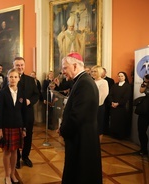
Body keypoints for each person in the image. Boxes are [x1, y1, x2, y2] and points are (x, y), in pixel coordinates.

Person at [59, 52, 102, 184]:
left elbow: (77, 116)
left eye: (65, 67)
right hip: (81, 136)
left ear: (75, 65)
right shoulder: (82, 81)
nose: (63, 71)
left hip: (82, 139)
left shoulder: (85, 84)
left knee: (81, 175)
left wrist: (63, 130)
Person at [2, 57, 39, 168]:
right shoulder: (8, 79)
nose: (20, 67)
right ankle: (16, 158)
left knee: (28, 136)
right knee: (15, 137)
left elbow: (36, 95)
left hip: (27, 113)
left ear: (24, 65)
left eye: (22, 65)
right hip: (14, 115)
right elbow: (4, 94)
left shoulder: (31, 80)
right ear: (14, 66)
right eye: (17, 65)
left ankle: (25, 156)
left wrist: (30, 101)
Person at [0, 68, 26, 184]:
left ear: (19, 78)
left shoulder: (22, 92)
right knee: (7, 152)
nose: (13, 79)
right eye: (10, 77)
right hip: (6, 126)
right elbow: (0, 111)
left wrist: (24, 128)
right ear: (7, 78)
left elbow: (23, 111)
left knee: (15, 152)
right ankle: (7, 175)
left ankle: (13, 174)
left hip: (18, 125)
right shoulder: (3, 92)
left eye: (15, 77)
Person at [109, 71, 132, 139]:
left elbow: (126, 97)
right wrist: (112, 102)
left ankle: (121, 136)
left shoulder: (127, 86)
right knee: (114, 121)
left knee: (121, 122)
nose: (120, 77)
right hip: (113, 107)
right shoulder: (115, 85)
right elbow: (110, 95)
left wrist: (118, 103)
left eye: (122, 76)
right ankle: (114, 135)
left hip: (122, 107)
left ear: (125, 77)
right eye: (119, 76)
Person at [91, 65, 109, 142]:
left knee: (98, 127)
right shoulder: (92, 81)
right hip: (90, 107)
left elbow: (102, 96)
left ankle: (97, 145)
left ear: (100, 72)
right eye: (92, 71)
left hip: (98, 107)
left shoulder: (104, 82)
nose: (93, 73)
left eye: (95, 71)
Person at [136, 74, 149, 156]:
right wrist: (145, 82)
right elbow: (141, 91)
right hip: (144, 111)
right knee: (141, 131)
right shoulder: (146, 83)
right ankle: (143, 150)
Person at [102, 68, 115, 135]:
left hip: (107, 101)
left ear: (105, 72)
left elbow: (111, 91)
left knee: (106, 116)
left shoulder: (110, 80)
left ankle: (105, 130)